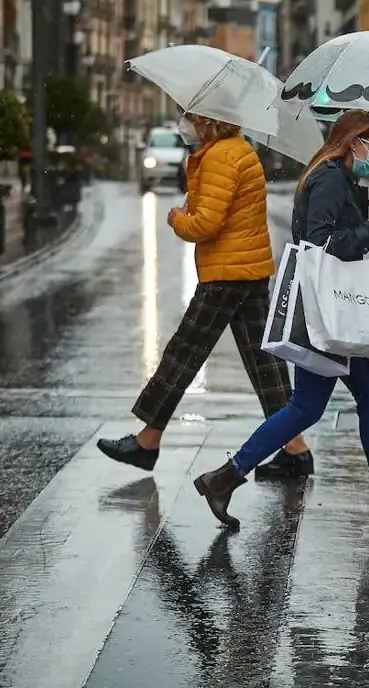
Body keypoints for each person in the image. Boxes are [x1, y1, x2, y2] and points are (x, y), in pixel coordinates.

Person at [192, 109, 369, 530]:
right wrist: (368, 232)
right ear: (353, 142)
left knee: (357, 397)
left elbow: (340, 231)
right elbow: (320, 241)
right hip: (329, 315)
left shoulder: (340, 178)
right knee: (320, 404)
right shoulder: (327, 179)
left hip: (335, 312)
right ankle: (225, 477)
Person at [95, 113, 313, 479]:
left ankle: (147, 441)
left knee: (185, 351)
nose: (188, 125)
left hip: (226, 273)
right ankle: (295, 449)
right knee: (264, 362)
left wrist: (178, 217)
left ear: (211, 123)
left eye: (194, 119)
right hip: (250, 268)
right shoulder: (239, 150)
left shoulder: (220, 156)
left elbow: (206, 224)